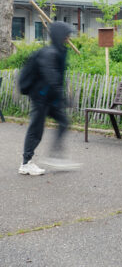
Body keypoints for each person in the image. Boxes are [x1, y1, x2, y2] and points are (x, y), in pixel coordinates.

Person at [20, 22, 81, 175]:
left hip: (50, 97)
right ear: (60, 35)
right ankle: (26, 163)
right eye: (66, 35)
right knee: (36, 130)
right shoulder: (49, 53)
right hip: (41, 97)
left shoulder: (58, 51)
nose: (68, 38)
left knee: (64, 122)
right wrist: (62, 97)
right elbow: (52, 78)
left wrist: (59, 97)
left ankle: (56, 156)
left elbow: (57, 78)